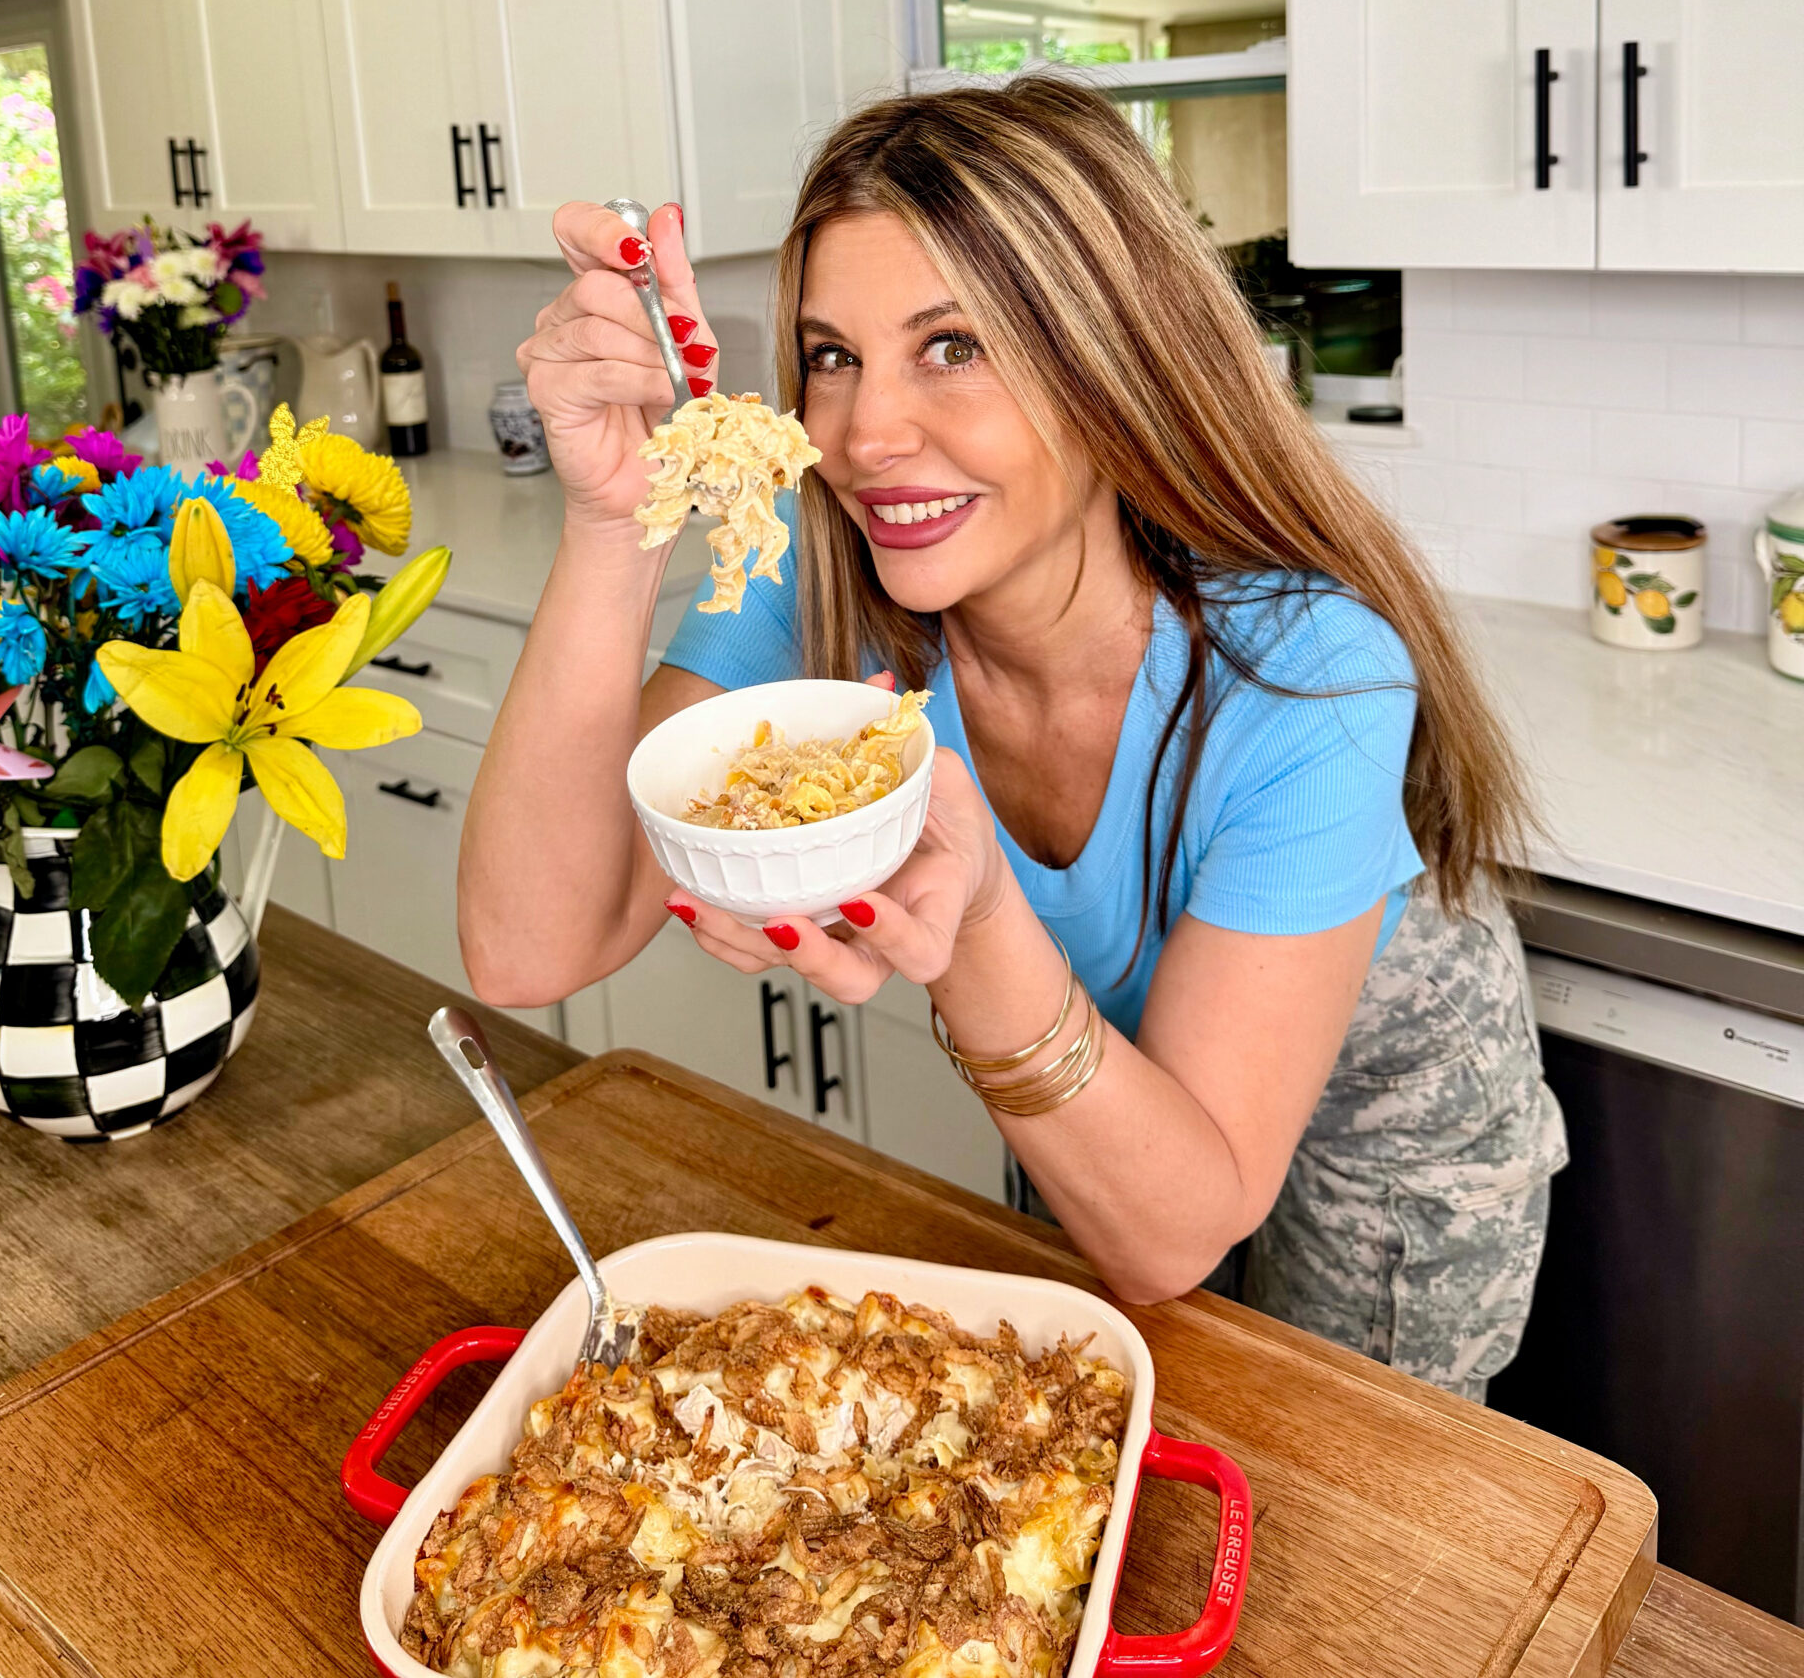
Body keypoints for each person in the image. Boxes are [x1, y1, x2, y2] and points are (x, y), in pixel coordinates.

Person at [460, 73, 1565, 1399]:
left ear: (1115, 362)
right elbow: (531, 948)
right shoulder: (821, 584)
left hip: (1384, 1123)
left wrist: (978, 920)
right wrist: (613, 522)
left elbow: (1176, 1228)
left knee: (1341, 1495)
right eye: (833, 356)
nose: (867, 435)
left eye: (954, 346)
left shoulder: (1307, 675)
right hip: (1091, 1060)